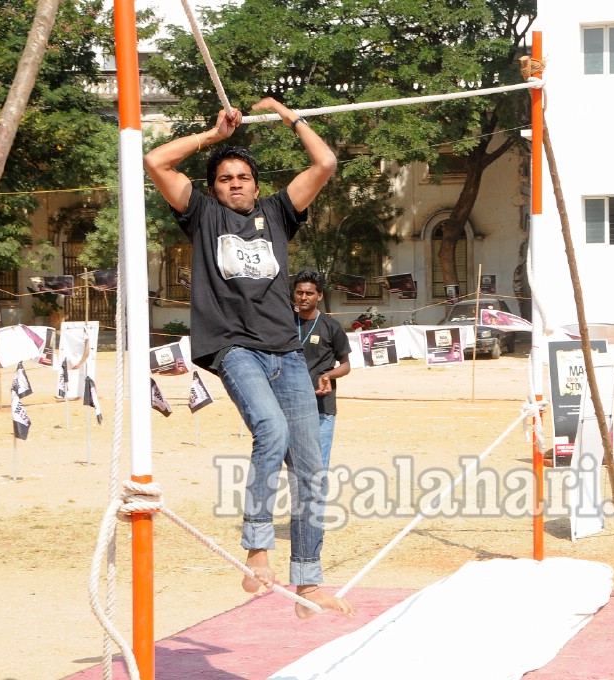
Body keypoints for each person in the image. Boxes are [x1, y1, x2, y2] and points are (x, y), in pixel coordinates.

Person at [143, 98, 353, 619]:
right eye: (225, 178)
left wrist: (287, 114)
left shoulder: (279, 212)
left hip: (287, 353)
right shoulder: (203, 215)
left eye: (243, 177)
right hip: (234, 350)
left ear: (257, 185)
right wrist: (213, 138)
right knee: (272, 434)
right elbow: (155, 161)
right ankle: (257, 547)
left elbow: (325, 164)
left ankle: (308, 582)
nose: (235, 183)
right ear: (214, 188)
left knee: (310, 467)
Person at [292, 270, 352, 475]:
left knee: (318, 466)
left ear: (320, 295)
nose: (303, 297)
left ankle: (316, 507)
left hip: (321, 408)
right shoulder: (285, 324)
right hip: (291, 405)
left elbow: (346, 365)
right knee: (295, 465)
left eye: (309, 293)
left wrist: (328, 376)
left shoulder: (331, 326)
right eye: (299, 292)